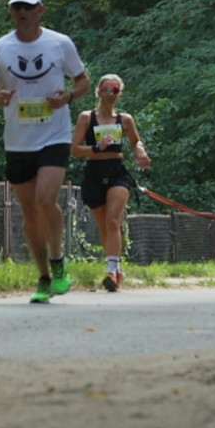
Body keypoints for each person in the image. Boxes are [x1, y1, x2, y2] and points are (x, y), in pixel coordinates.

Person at [0, 0, 91, 304]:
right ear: (11, 10)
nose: (22, 13)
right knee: (29, 211)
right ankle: (43, 277)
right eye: (17, 7)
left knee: (46, 199)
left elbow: (83, 80)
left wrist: (68, 97)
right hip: (18, 140)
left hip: (53, 135)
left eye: (28, 7)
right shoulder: (0, 49)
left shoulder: (60, 43)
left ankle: (59, 263)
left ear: (41, 9)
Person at [71, 74, 151, 291]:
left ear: (120, 93)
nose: (110, 94)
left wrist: (140, 152)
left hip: (117, 172)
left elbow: (135, 141)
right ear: (98, 91)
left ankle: (111, 271)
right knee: (104, 225)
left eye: (115, 90)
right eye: (106, 89)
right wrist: (97, 148)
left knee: (113, 220)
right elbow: (75, 149)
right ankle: (117, 270)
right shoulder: (86, 118)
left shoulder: (125, 120)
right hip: (94, 173)